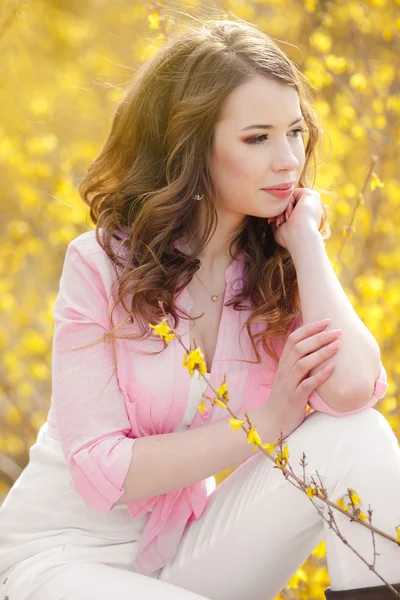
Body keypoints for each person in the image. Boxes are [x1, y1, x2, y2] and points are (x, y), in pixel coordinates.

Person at [0, 17, 399, 600]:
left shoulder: (273, 269)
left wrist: (307, 245)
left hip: (184, 556)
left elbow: (354, 392)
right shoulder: (101, 266)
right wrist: (265, 425)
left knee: (357, 435)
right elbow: (100, 469)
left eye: (295, 133)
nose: (288, 160)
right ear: (192, 148)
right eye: (257, 137)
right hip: (60, 558)